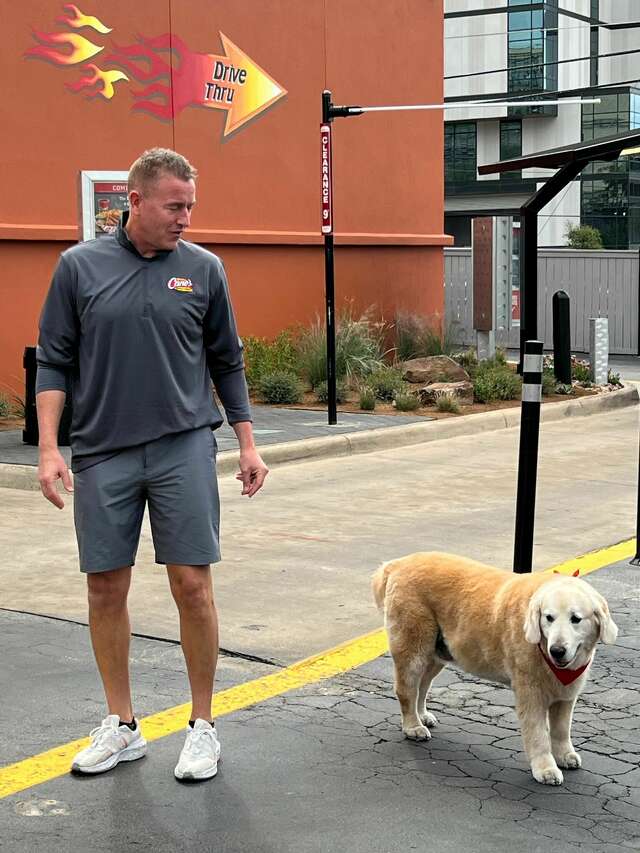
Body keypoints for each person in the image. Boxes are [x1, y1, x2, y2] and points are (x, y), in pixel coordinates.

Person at [36, 147, 268, 782]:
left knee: (192, 585)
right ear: (134, 201)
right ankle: (123, 725)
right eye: (174, 206)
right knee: (105, 587)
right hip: (103, 450)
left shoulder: (204, 270)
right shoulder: (78, 268)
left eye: (190, 205)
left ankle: (202, 727)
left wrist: (247, 441)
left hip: (183, 446)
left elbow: (228, 359)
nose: (185, 218)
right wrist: (51, 449)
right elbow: (53, 362)